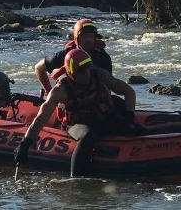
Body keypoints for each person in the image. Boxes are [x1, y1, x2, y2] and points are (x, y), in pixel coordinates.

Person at [14, 48, 138, 178]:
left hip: (101, 116)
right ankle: (77, 178)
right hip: (77, 123)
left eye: (88, 68)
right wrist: (25, 143)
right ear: (72, 73)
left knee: (130, 128)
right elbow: (41, 118)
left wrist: (129, 117)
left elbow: (128, 92)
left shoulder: (99, 75)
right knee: (88, 134)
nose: (87, 74)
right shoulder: (60, 90)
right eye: (82, 71)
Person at [35, 18, 113, 94]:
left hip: (93, 98)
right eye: (84, 36)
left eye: (91, 36)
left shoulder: (103, 57)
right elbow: (39, 68)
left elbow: (108, 87)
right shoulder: (65, 55)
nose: (88, 40)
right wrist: (48, 90)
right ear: (76, 39)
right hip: (70, 98)